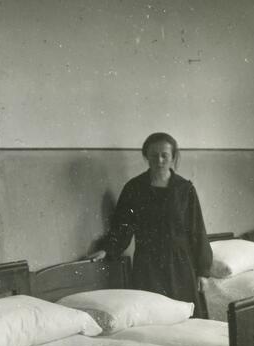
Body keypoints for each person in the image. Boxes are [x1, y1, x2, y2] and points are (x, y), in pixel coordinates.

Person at [87, 132, 213, 312]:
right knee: (152, 316)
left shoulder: (185, 189)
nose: (159, 160)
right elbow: (123, 225)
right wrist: (107, 249)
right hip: (148, 265)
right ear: (146, 156)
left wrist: (203, 272)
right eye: (154, 155)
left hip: (180, 266)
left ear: (173, 157)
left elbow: (197, 231)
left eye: (164, 155)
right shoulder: (134, 188)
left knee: (185, 316)